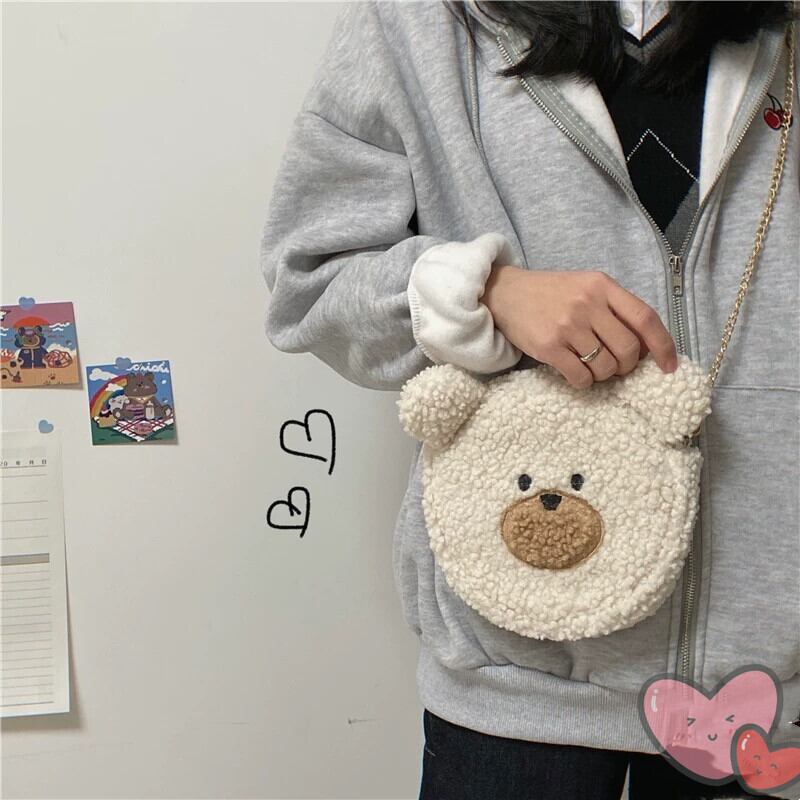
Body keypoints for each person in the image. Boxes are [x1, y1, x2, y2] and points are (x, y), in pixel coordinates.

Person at [259, 1, 800, 798]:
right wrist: (485, 294)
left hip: (762, 695)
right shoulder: (421, 21)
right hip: (518, 687)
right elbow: (310, 281)